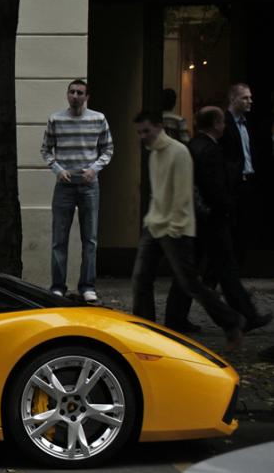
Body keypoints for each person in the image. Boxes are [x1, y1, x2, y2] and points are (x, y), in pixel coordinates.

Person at [130, 111, 243, 350]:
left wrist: (175, 228)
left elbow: (183, 196)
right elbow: (157, 192)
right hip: (156, 224)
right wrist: (151, 220)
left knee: (190, 283)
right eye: (139, 133)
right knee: (141, 279)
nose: (143, 137)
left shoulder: (178, 152)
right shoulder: (153, 153)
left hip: (176, 228)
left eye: (146, 131)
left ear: (159, 127)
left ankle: (231, 321)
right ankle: (144, 329)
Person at [166, 106, 271, 334]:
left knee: (193, 270)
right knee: (225, 269)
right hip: (211, 220)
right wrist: (226, 208)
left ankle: (176, 318)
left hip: (197, 219)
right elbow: (214, 188)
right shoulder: (210, 150)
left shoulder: (194, 146)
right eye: (222, 122)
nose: (225, 126)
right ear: (215, 124)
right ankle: (244, 316)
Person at [40, 79, 113, 303]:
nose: (75, 96)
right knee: (59, 238)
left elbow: (107, 148)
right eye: (71, 92)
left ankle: (87, 286)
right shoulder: (56, 119)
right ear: (67, 95)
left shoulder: (98, 118)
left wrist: (94, 169)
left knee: (89, 238)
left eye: (79, 92)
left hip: (89, 184)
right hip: (64, 184)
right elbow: (46, 150)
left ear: (86, 97)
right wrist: (57, 170)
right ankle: (58, 286)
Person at [219, 83, 257, 265]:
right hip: (232, 184)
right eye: (245, 97)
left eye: (250, 97)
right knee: (230, 231)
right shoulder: (224, 123)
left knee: (243, 230)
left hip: (246, 182)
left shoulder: (246, 123)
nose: (250, 101)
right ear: (233, 99)